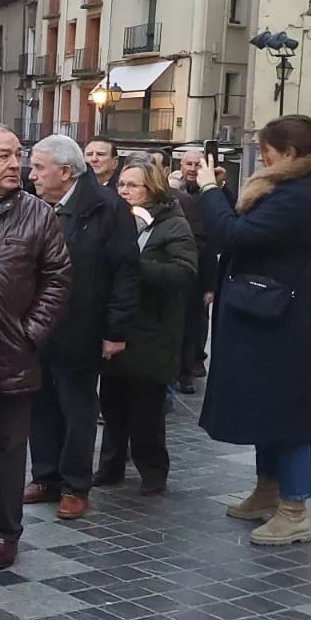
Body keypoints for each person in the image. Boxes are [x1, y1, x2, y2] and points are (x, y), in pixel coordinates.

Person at [198, 115, 311, 545]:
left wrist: (209, 191)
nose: (261, 158)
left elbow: (233, 235)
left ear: (289, 153)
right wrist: (217, 191)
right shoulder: (287, 187)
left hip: (285, 316)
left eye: (266, 151)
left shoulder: (299, 195)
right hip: (266, 308)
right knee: (265, 403)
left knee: (288, 408)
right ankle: (267, 490)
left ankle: (295, 509)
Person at [0, 124, 70, 570]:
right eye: (4, 156)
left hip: (12, 352)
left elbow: (58, 278)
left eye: (18, 154)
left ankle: (5, 532)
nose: (16, 164)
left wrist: (31, 332)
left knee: (9, 452)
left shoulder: (37, 213)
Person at [24, 134, 141, 521]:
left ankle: (75, 485)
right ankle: (46, 476)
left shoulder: (107, 208)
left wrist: (116, 330)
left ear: (65, 171)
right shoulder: (36, 205)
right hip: (39, 326)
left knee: (77, 409)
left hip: (82, 326)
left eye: (39, 168)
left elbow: (126, 272)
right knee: (40, 404)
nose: (31, 174)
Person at [96, 158, 196, 494]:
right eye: (121, 184)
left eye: (132, 185)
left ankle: (152, 472)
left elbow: (184, 272)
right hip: (117, 323)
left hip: (153, 327)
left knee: (146, 409)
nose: (124, 191)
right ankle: (110, 467)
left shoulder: (172, 224)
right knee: (112, 404)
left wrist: (135, 266)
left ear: (151, 188)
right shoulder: (114, 219)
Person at [173, 148, 217, 392]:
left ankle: (188, 369)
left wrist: (210, 285)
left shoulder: (211, 194)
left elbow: (210, 244)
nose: (192, 168)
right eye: (188, 164)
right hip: (174, 269)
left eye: (197, 164)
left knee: (194, 324)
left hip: (197, 272)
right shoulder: (170, 190)